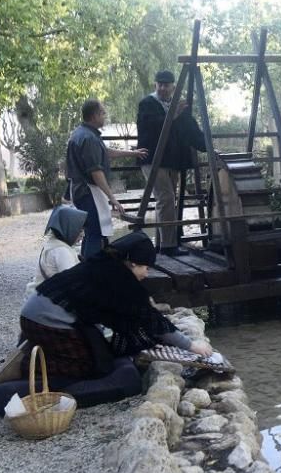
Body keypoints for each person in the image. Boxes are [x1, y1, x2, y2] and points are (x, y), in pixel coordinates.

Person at [19, 232, 212, 379]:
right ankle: (29, 365)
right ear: (132, 264)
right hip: (43, 322)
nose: (146, 274)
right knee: (92, 365)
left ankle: (42, 352)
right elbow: (151, 320)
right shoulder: (118, 279)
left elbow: (139, 314)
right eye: (145, 268)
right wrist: (191, 345)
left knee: (100, 349)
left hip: (37, 314)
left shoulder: (106, 265)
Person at [136, 70, 207, 256]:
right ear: (155, 85)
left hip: (172, 161)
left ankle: (162, 244)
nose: (162, 88)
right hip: (152, 159)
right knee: (165, 198)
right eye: (159, 84)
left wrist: (209, 148)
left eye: (166, 85)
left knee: (168, 200)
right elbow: (149, 129)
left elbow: (191, 131)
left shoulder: (179, 107)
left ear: (173, 86)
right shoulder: (147, 104)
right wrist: (172, 115)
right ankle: (168, 246)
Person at [66, 99, 148, 259]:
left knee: (92, 232)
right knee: (96, 231)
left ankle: (88, 268)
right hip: (89, 190)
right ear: (94, 115)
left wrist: (133, 153)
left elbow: (105, 151)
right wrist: (113, 198)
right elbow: (96, 172)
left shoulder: (81, 133)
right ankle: (92, 272)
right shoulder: (88, 138)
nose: (105, 116)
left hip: (80, 190)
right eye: (103, 112)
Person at [24, 205, 88, 299]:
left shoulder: (54, 244)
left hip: (38, 298)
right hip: (46, 303)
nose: (83, 235)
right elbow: (72, 283)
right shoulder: (61, 251)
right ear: (68, 228)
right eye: (80, 230)